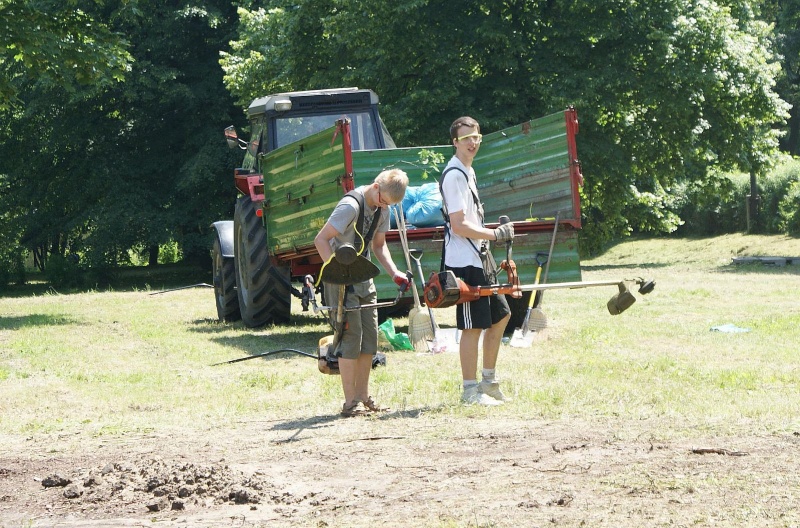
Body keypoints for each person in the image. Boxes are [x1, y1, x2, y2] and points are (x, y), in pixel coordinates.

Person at [314, 168, 410, 417]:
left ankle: (364, 396)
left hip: (364, 277)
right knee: (350, 338)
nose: (384, 206)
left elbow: (379, 246)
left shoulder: (383, 208)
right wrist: (335, 273)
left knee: (369, 339)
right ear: (376, 187)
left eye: (388, 205)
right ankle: (349, 403)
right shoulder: (350, 206)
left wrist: (394, 272)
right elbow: (321, 240)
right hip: (342, 279)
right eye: (383, 201)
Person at [440, 116, 514, 406]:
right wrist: (494, 235)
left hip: (479, 256)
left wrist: (491, 237)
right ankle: (470, 390)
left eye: (476, 137)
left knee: (501, 315)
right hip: (463, 263)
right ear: (455, 142)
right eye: (466, 138)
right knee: (471, 327)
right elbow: (458, 226)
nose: (473, 142)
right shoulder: (455, 175)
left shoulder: (468, 171)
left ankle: (489, 382)